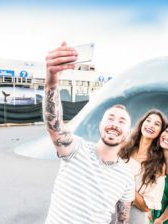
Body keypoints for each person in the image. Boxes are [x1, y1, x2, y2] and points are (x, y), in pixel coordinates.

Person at [44, 42, 135, 224]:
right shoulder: (77, 149)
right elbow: (55, 126)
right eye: (110, 118)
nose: (114, 124)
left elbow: (123, 220)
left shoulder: (126, 176)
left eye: (121, 121)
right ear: (100, 124)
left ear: (128, 133)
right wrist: (52, 82)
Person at [119, 109, 167, 223]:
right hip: (109, 207)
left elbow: (146, 207)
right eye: (148, 120)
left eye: (157, 124)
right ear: (142, 123)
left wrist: (126, 186)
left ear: (161, 131)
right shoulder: (123, 147)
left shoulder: (159, 165)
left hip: (134, 216)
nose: (151, 125)